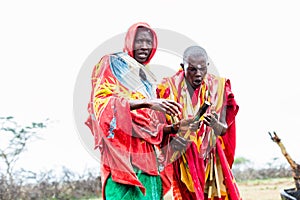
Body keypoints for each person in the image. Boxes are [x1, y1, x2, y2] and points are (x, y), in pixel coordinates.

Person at [85, 22, 190, 200]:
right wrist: (146, 102)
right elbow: (101, 102)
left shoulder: (147, 78)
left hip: (148, 159)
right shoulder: (113, 63)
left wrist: (172, 129)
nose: (144, 46)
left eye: (149, 42)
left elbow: (147, 127)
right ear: (129, 41)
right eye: (139, 41)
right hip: (121, 158)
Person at [156, 45, 242, 200]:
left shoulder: (218, 87)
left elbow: (223, 129)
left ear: (207, 66)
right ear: (183, 67)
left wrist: (215, 124)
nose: (198, 74)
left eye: (202, 69)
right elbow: (158, 128)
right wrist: (178, 129)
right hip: (183, 159)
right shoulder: (166, 89)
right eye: (192, 69)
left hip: (211, 159)